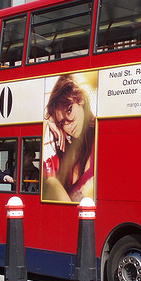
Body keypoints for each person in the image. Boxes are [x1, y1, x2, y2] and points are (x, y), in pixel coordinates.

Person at [42, 74, 95, 202]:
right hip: (70, 214)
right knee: (51, 183)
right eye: (62, 123)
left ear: (80, 99)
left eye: (69, 110)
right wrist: (47, 121)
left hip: (95, 213)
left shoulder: (102, 138)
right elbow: (40, 182)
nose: (68, 124)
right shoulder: (63, 158)